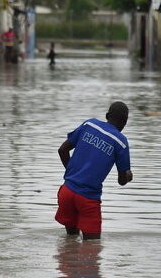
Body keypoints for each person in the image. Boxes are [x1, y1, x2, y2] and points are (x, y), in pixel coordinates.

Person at [55, 101, 133, 239]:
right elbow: (122, 181)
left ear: (107, 115)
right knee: (91, 251)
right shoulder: (121, 142)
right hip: (87, 199)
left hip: (67, 192)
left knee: (70, 243)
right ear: (125, 122)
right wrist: (128, 176)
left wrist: (75, 174)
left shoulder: (89, 125)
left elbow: (62, 150)